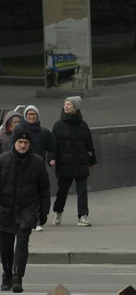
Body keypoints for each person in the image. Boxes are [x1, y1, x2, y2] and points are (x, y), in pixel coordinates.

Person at [0, 124, 51, 293]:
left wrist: (43, 212)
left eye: (26, 142)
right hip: (5, 210)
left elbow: (44, 189)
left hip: (27, 209)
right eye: (20, 142)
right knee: (5, 246)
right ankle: (6, 275)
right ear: (14, 142)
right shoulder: (3, 160)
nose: (23, 145)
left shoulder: (36, 162)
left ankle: (17, 277)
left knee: (22, 244)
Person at [51, 96, 95, 227]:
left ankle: (82, 216)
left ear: (75, 107)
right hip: (65, 164)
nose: (66, 106)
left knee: (82, 191)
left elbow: (89, 144)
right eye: (65, 104)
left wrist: (92, 160)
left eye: (69, 104)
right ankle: (58, 211)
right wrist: (52, 158)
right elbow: (53, 145)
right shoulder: (58, 126)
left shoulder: (83, 125)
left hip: (81, 163)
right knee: (63, 191)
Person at [21, 105, 55, 232]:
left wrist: (51, 158)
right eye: (29, 114)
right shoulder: (20, 130)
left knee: (38, 194)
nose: (31, 116)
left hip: (39, 167)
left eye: (33, 114)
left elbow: (52, 146)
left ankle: (37, 220)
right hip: (23, 167)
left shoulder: (44, 132)